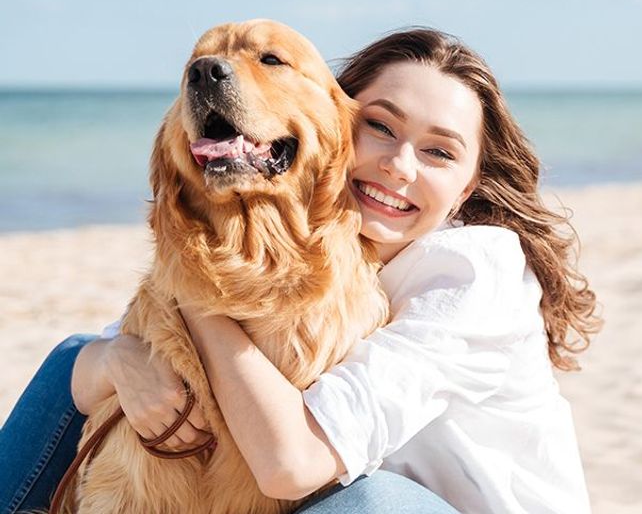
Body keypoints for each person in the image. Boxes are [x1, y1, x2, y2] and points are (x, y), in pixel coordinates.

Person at [0, 28, 601, 514]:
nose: (398, 166)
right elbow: (112, 351)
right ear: (339, 125)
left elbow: (292, 463)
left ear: (470, 183)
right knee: (77, 354)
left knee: (369, 500)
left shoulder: (472, 271)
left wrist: (194, 298)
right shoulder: (323, 245)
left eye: (439, 152)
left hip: (413, 504)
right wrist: (115, 360)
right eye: (381, 127)